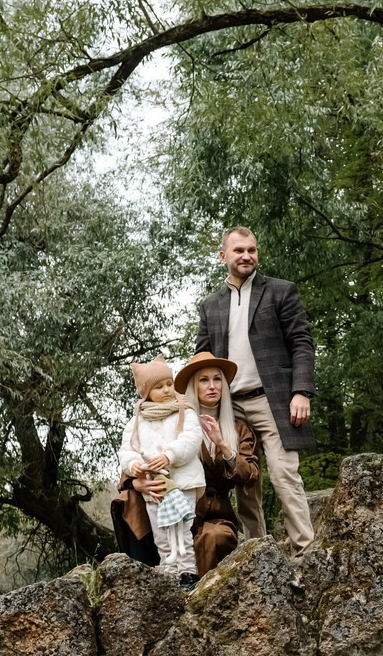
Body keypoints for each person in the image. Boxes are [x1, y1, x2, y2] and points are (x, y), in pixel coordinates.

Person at [194, 226, 317, 555]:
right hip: (231, 407)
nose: (246, 256)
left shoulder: (280, 291)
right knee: (245, 483)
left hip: (273, 401)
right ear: (224, 256)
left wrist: (301, 391)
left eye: (252, 250)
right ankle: (258, 555)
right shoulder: (210, 306)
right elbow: (202, 359)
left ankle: (306, 552)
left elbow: (302, 343)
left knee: (284, 474)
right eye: (239, 250)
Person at [115, 355, 204, 585]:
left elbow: (192, 439)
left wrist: (169, 455)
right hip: (153, 486)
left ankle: (187, 571)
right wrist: (134, 465)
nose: (166, 390)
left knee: (182, 528)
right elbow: (127, 450)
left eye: (169, 384)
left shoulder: (185, 411)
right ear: (146, 392)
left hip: (182, 482)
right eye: (158, 387)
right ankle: (168, 572)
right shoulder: (136, 422)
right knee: (161, 531)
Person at [175, 351, 261, 577]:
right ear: (193, 387)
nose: (212, 386)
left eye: (217, 379)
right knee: (128, 502)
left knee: (214, 538)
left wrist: (223, 445)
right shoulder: (176, 423)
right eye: (204, 380)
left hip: (218, 516)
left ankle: (203, 594)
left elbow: (251, 474)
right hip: (181, 510)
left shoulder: (239, 428)